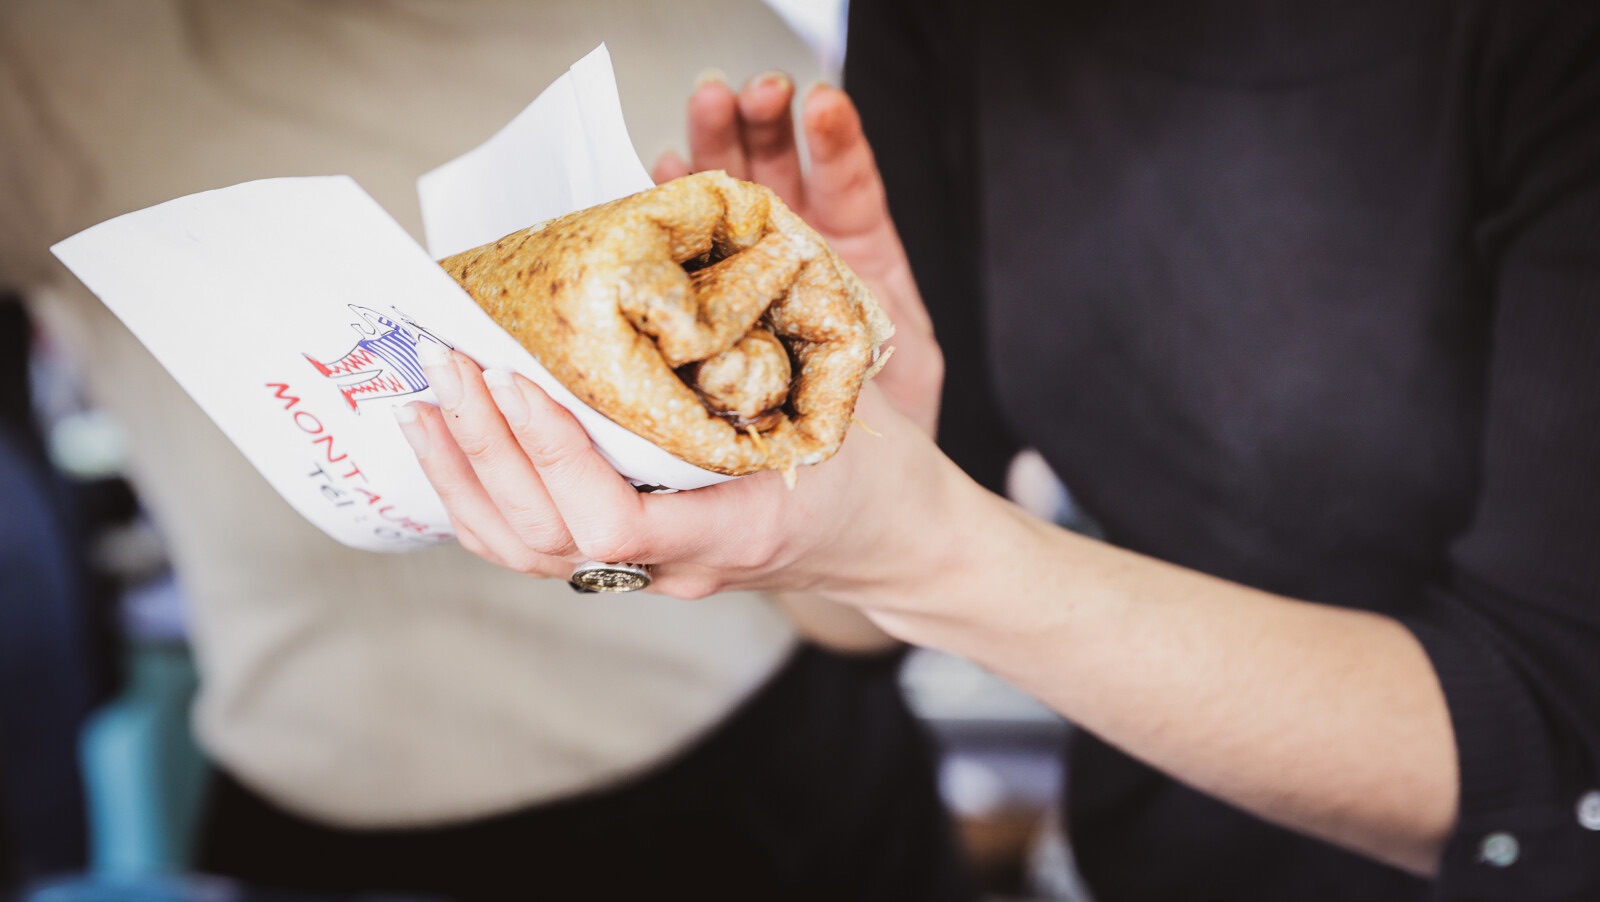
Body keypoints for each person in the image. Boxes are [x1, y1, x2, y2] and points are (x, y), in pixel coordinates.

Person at [400, 0, 1600, 899]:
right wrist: (822, 484)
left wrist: (924, 544)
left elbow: (1553, 751)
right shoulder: (960, 22)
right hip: (1128, 855)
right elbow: (860, 615)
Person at [1, 3, 972, 899]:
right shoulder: (63, 56)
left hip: (770, 780)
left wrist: (874, 496)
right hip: (330, 830)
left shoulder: (719, 31)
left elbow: (859, 604)